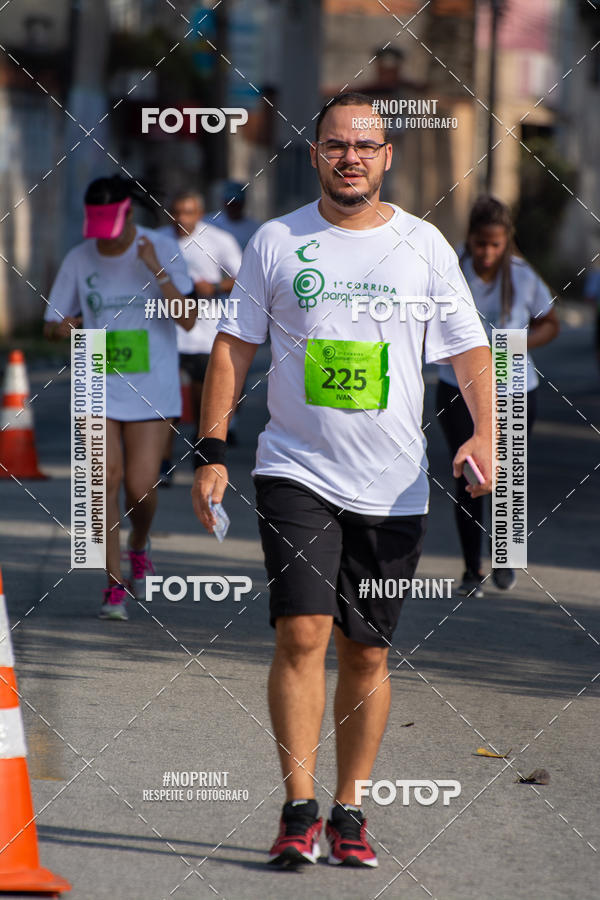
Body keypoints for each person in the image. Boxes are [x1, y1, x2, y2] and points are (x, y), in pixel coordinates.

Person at [192, 92, 492, 870]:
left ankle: (349, 809)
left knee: (365, 654)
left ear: (387, 156)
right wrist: (213, 450)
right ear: (315, 152)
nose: (349, 156)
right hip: (296, 468)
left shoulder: (424, 246)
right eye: (335, 145)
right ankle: (298, 808)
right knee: (302, 630)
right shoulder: (277, 241)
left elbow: (469, 351)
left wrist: (486, 433)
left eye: (365, 145)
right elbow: (232, 347)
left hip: (393, 486)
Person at [44, 175, 194, 620]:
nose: (105, 242)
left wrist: (157, 270)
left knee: (140, 488)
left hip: (152, 387)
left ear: (129, 214)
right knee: (100, 484)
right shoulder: (79, 257)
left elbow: (187, 321)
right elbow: (53, 322)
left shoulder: (161, 247)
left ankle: (140, 543)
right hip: (96, 380)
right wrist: (64, 328)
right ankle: (113, 586)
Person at [436, 195, 560, 597]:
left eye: (495, 244)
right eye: (480, 243)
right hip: (459, 388)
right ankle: (471, 569)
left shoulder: (523, 276)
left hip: (515, 388)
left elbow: (551, 323)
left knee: (507, 477)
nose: (487, 253)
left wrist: (518, 344)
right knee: (469, 475)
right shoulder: (449, 269)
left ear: (506, 241)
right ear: (469, 239)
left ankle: (504, 557)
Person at [157, 191, 242, 485]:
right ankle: (163, 463)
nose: (182, 219)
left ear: (200, 213)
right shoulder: (157, 240)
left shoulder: (219, 241)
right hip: (165, 333)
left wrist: (216, 285)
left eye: (188, 213)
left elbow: (244, 279)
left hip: (204, 336)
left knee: (201, 403)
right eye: (176, 212)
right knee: (165, 405)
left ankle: (202, 460)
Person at [208, 180, 260, 250]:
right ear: (223, 201)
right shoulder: (209, 223)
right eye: (229, 202)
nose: (233, 207)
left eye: (236, 203)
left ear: (243, 203)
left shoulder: (255, 229)